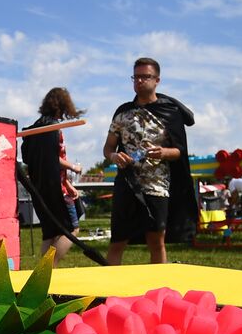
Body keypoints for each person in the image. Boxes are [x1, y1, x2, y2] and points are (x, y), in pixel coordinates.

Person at [103, 57, 195, 264]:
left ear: (157, 80)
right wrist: (114, 156)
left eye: (145, 76)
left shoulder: (170, 112)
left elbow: (180, 152)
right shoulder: (122, 112)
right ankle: (106, 293)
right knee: (117, 241)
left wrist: (163, 152)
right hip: (127, 184)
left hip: (157, 185)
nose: (139, 81)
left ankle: (157, 291)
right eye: (136, 77)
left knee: (156, 242)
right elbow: (108, 147)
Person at [21, 87, 85, 264]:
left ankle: (44, 276)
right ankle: (48, 269)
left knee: (50, 233)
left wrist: (68, 183)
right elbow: (53, 159)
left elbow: (35, 160)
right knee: (72, 229)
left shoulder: (36, 129)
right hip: (55, 189)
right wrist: (74, 167)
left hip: (40, 188)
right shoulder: (53, 128)